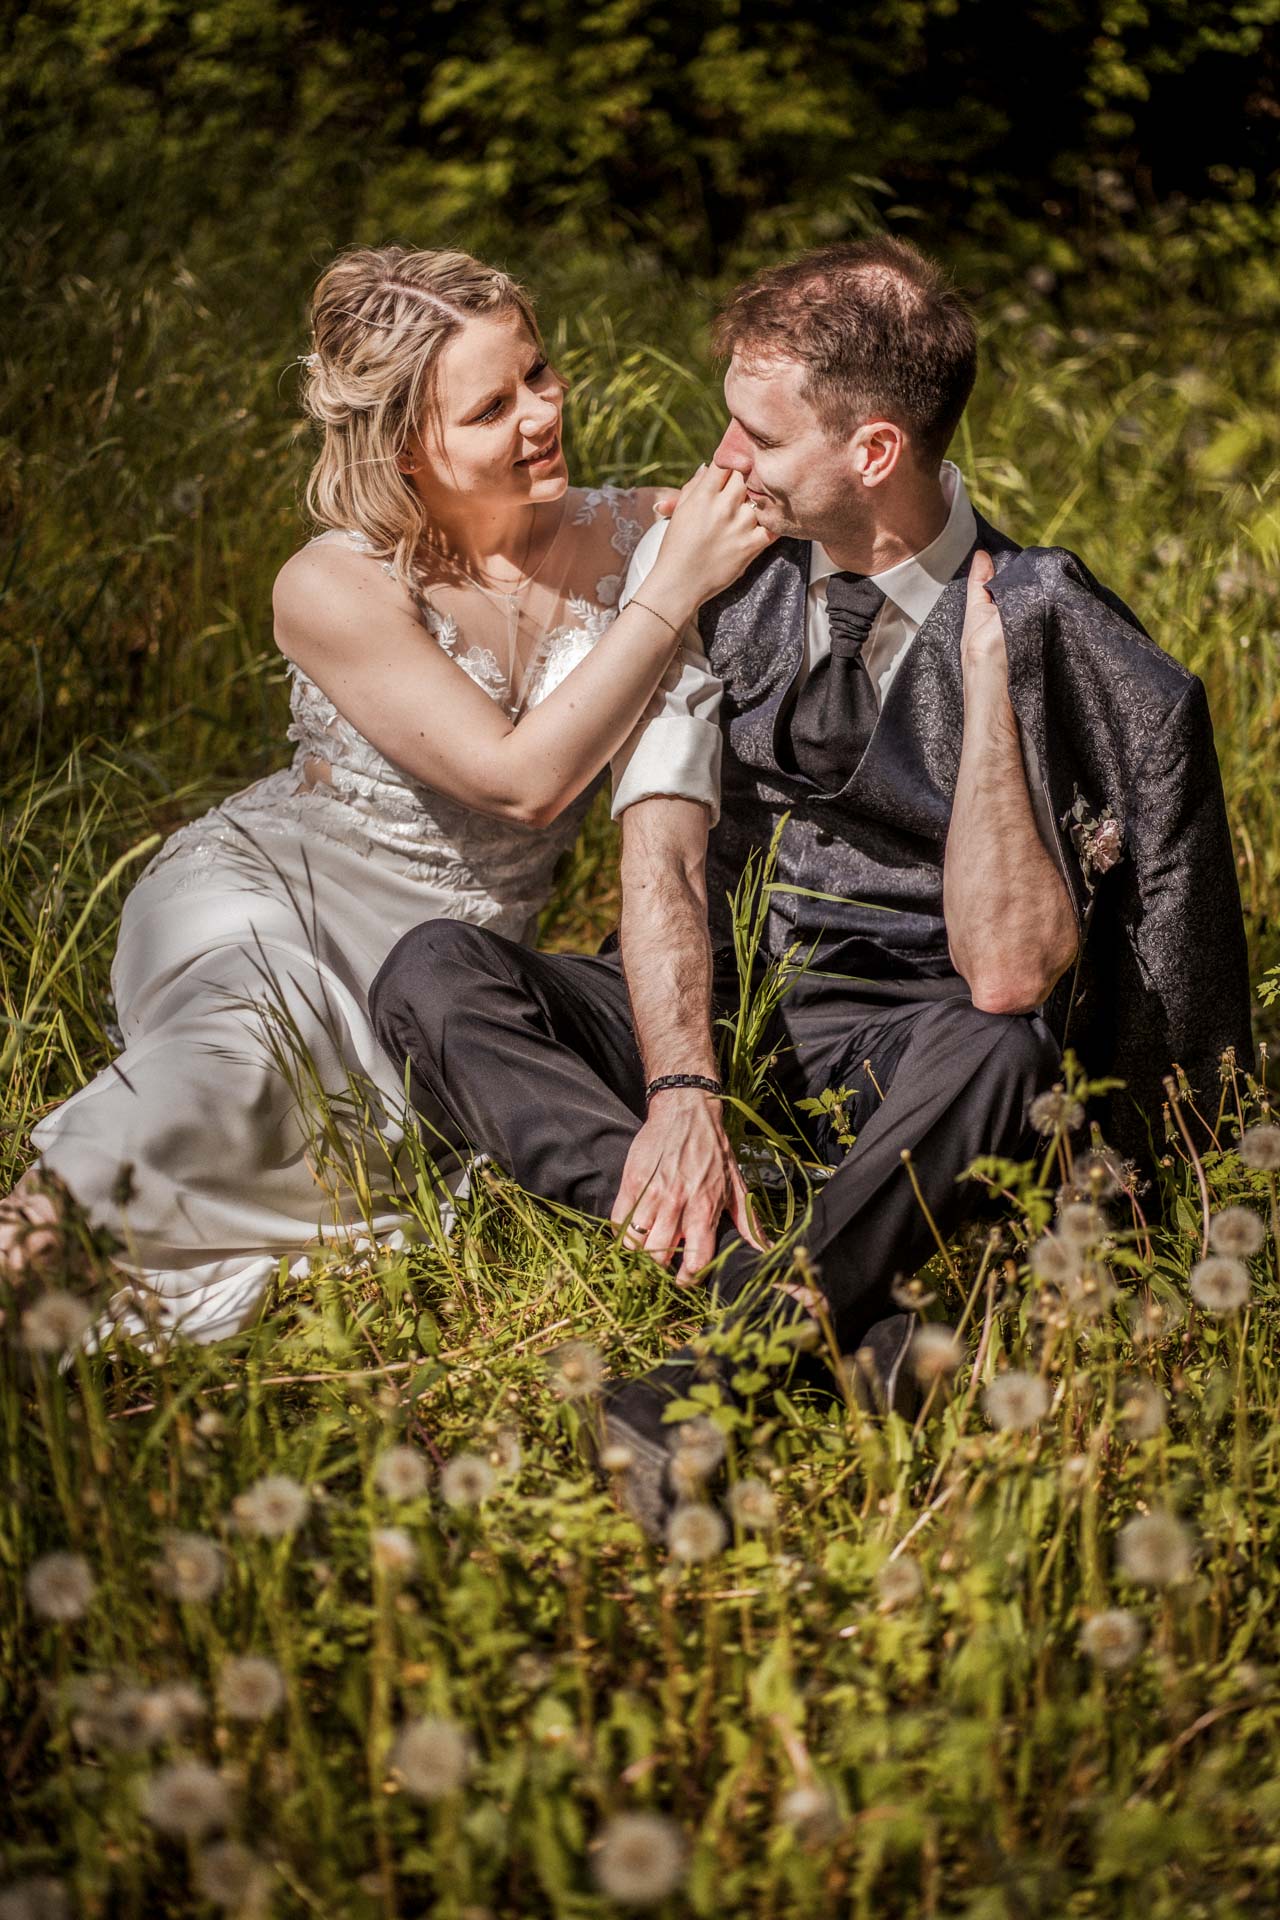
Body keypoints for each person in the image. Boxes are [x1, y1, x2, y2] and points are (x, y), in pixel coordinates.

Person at [370, 235, 1253, 1531]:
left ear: (874, 454)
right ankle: (809, 1270)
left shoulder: (1055, 619)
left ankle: (718, 1365)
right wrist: (681, 1089)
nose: (723, 461)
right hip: (735, 1009)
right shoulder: (735, 572)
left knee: (1007, 1052)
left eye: (757, 438)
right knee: (431, 972)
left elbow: (1013, 974)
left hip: (917, 1046)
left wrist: (995, 680)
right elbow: (662, 853)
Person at [0, 245, 771, 1342]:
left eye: (540, 374)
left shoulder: (628, 532)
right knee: (232, 1063)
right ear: (405, 445)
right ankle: (26, 1239)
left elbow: (818, 475)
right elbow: (520, 784)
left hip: (442, 964)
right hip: (266, 899)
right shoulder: (333, 582)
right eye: (491, 406)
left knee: (346, 1118)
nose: (542, 414)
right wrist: (676, 586)